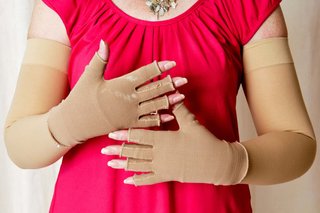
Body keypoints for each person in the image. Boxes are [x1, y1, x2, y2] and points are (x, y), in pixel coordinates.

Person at [4, 0, 316, 212]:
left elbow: (297, 143)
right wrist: (69, 122)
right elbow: (19, 144)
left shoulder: (246, 5)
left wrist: (231, 163)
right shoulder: (64, 4)